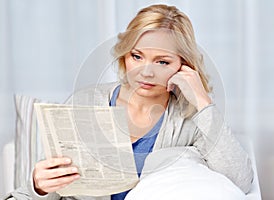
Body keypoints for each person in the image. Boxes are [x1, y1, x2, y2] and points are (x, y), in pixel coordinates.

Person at [7, 4, 253, 200]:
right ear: (125, 57)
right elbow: (32, 194)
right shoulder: (86, 103)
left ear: (183, 65)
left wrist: (202, 100)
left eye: (162, 62)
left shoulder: (189, 117)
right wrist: (38, 186)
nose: (146, 72)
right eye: (137, 56)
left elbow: (240, 181)